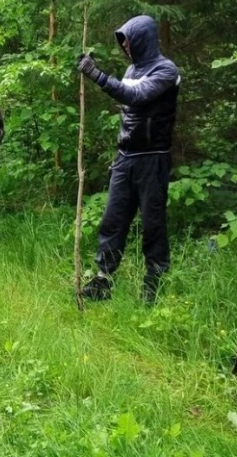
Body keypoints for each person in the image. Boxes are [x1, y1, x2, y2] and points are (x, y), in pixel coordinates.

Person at [77, 15, 180, 303]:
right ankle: (103, 280)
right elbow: (126, 100)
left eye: (128, 41)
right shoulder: (132, 69)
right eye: (122, 42)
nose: (125, 47)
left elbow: (135, 96)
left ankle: (153, 284)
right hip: (125, 157)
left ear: (142, 39)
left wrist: (97, 75)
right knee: (114, 218)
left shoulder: (166, 70)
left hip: (152, 159)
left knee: (152, 224)